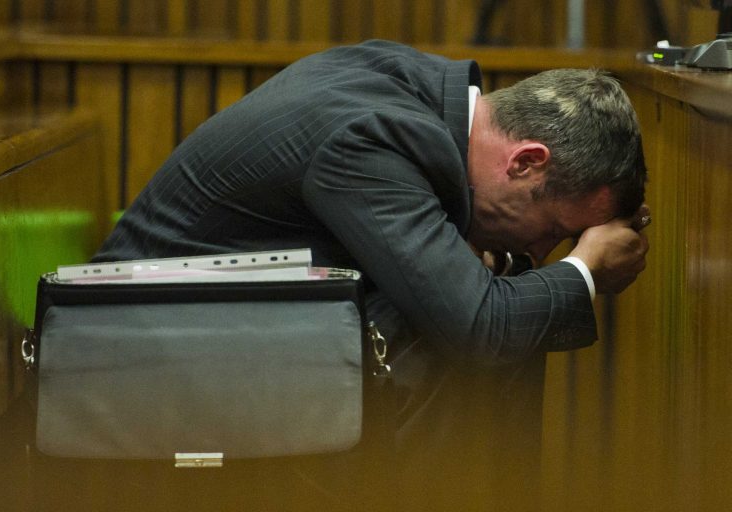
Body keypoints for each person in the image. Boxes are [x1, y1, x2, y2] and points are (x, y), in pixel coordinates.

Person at [92, 40, 649, 510]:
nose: (541, 250)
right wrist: (587, 269)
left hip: (224, 330)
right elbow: (478, 325)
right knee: (463, 345)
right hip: (138, 356)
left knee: (486, 318)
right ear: (526, 161)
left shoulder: (411, 89)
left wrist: (506, 265)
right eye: (554, 229)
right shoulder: (372, 135)